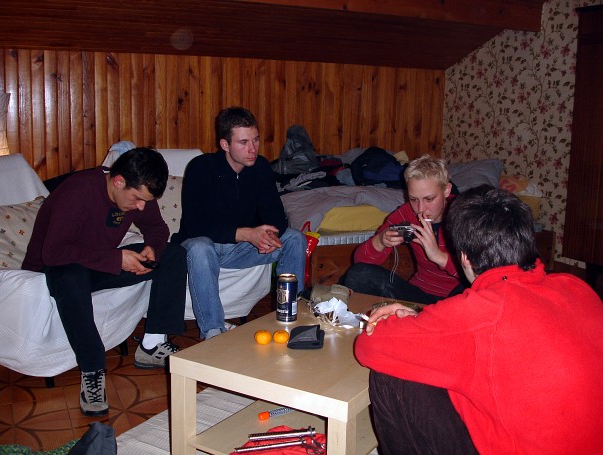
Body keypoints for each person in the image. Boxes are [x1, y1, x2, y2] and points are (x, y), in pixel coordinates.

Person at [355, 185, 603, 454]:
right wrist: (420, 319)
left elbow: (369, 346)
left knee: (392, 373)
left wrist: (400, 321)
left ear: (464, 258)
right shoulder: (577, 287)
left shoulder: (482, 311)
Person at [22, 148, 187, 417]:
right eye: (138, 199)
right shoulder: (78, 192)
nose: (141, 207)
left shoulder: (136, 191)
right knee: (71, 275)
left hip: (97, 264)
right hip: (53, 268)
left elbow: (157, 228)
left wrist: (153, 248)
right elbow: (54, 252)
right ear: (118, 181)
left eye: (146, 201)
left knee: (174, 254)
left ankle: (152, 344)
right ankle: (92, 370)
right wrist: (116, 259)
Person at [172, 107, 306, 340]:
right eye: (243, 142)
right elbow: (194, 227)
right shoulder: (201, 168)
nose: (252, 149)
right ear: (225, 144)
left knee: (295, 238)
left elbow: (276, 217)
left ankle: (291, 314)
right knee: (200, 246)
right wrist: (246, 234)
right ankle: (213, 332)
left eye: (255, 140)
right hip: (204, 251)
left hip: (242, 250)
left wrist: (268, 236)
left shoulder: (261, 167)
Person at [343, 154, 465, 304]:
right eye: (413, 199)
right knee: (357, 275)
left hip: (455, 300)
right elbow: (360, 262)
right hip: (419, 296)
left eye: (429, 199)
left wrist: (438, 256)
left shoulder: (466, 214)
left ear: (446, 190)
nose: (420, 208)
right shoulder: (406, 213)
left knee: (475, 290)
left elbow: (481, 275)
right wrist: (380, 241)